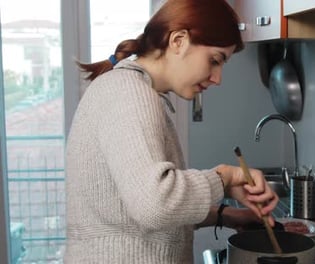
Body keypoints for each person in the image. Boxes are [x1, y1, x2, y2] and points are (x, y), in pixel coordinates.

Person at [64, 0, 279, 263]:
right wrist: (224, 177)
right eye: (214, 60)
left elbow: (137, 213)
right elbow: (154, 204)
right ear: (178, 40)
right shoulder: (129, 93)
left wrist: (225, 215)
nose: (217, 78)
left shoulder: (132, 89)